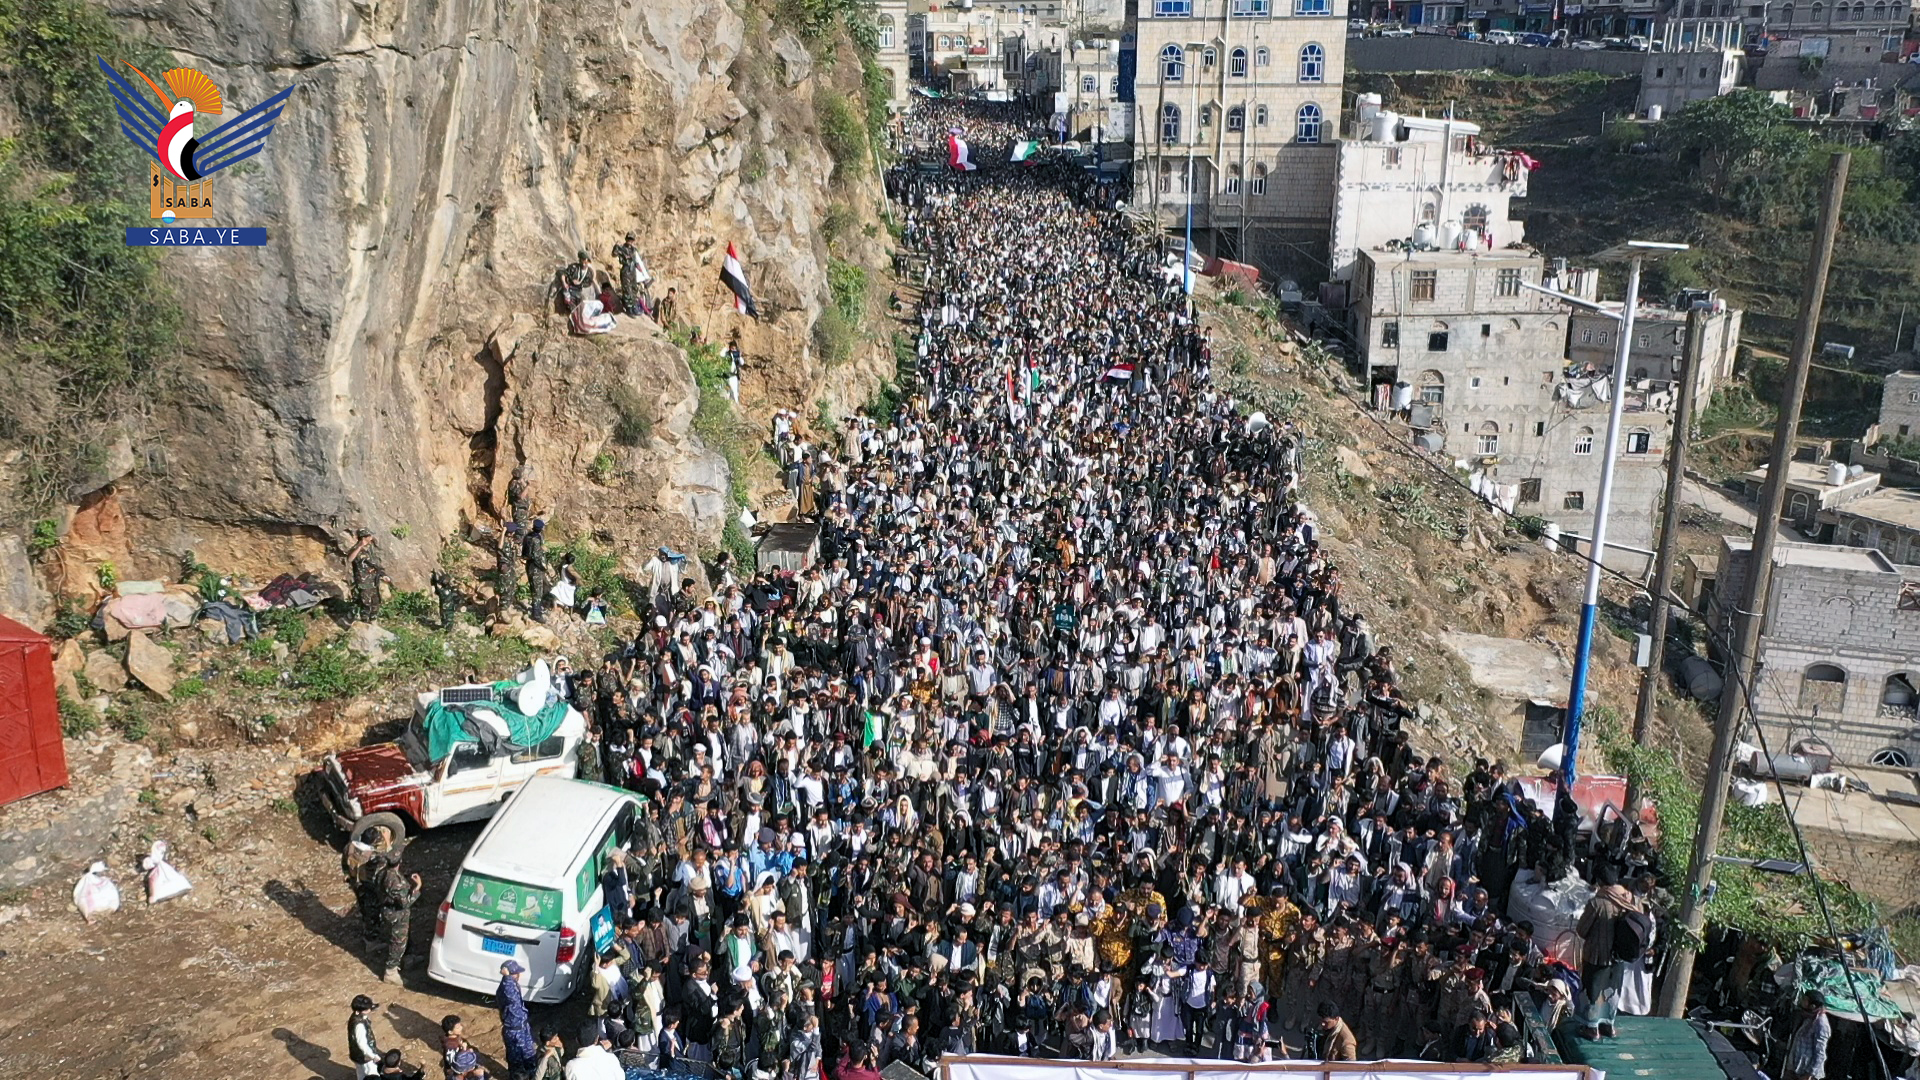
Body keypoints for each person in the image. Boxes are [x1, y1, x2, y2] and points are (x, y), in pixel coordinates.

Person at [373, 853, 422, 984]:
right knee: (397, 943)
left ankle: (408, 958)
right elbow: (405, 903)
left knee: (402, 939)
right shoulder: (396, 882)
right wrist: (417, 888)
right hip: (397, 916)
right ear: (399, 862)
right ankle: (390, 972)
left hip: (387, 910)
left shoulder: (382, 873)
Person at [499, 960, 539, 1077]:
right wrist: (507, 978)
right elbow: (511, 997)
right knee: (516, 1061)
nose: (519, 975)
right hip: (514, 1030)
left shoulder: (512, 984)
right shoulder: (506, 987)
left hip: (522, 1027)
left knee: (529, 1055)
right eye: (516, 973)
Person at [1783, 991, 1831, 1080]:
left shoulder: (1821, 1024)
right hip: (1797, 1068)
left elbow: (1820, 1053)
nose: (1802, 1002)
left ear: (1813, 1005)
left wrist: (1809, 1074)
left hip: (1806, 1073)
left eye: (1805, 1000)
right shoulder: (1808, 1018)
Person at [347, 529, 385, 622]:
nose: (371, 538)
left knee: (376, 602)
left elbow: (375, 563)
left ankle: (373, 621)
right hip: (363, 581)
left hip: (373, 580)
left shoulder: (370, 548)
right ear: (364, 537)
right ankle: (364, 622)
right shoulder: (356, 548)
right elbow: (350, 559)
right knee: (366, 603)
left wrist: (382, 574)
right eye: (369, 536)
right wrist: (360, 546)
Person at [348, 994, 384, 1079]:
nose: (369, 1010)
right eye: (367, 1008)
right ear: (358, 1011)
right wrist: (373, 1056)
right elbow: (362, 1044)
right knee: (372, 1074)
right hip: (365, 1057)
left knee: (360, 1073)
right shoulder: (359, 1025)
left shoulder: (354, 1017)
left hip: (356, 1054)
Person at [524, 519, 551, 622]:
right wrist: (543, 566)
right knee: (537, 591)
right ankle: (536, 614)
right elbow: (536, 557)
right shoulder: (536, 540)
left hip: (529, 565)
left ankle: (537, 609)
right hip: (536, 568)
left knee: (534, 588)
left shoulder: (528, 536)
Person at [431, 566, 463, 631]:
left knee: (446, 620)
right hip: (450, 608)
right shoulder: (451, 590)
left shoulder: (443, 591)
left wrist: (434, 579)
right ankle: (447, 630)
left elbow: (437, 590)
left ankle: (446, 630)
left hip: (445, 609)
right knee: (448, 620)